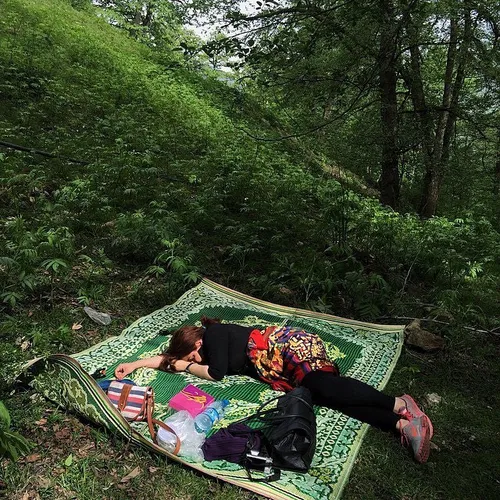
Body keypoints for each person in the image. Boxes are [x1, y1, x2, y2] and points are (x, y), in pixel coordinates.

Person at [115, 317, 433, 463]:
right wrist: (136, 365)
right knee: (323, 396)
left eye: (192, 355)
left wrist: (187, 366)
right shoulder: (200, 346)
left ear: (198, 344)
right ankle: (402, 425)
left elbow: (216, 374)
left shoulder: (214, 336)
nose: (191, 361)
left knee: (321, 384)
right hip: (277, 365)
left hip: (286, 346)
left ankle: (398, 403)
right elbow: (170, 359)